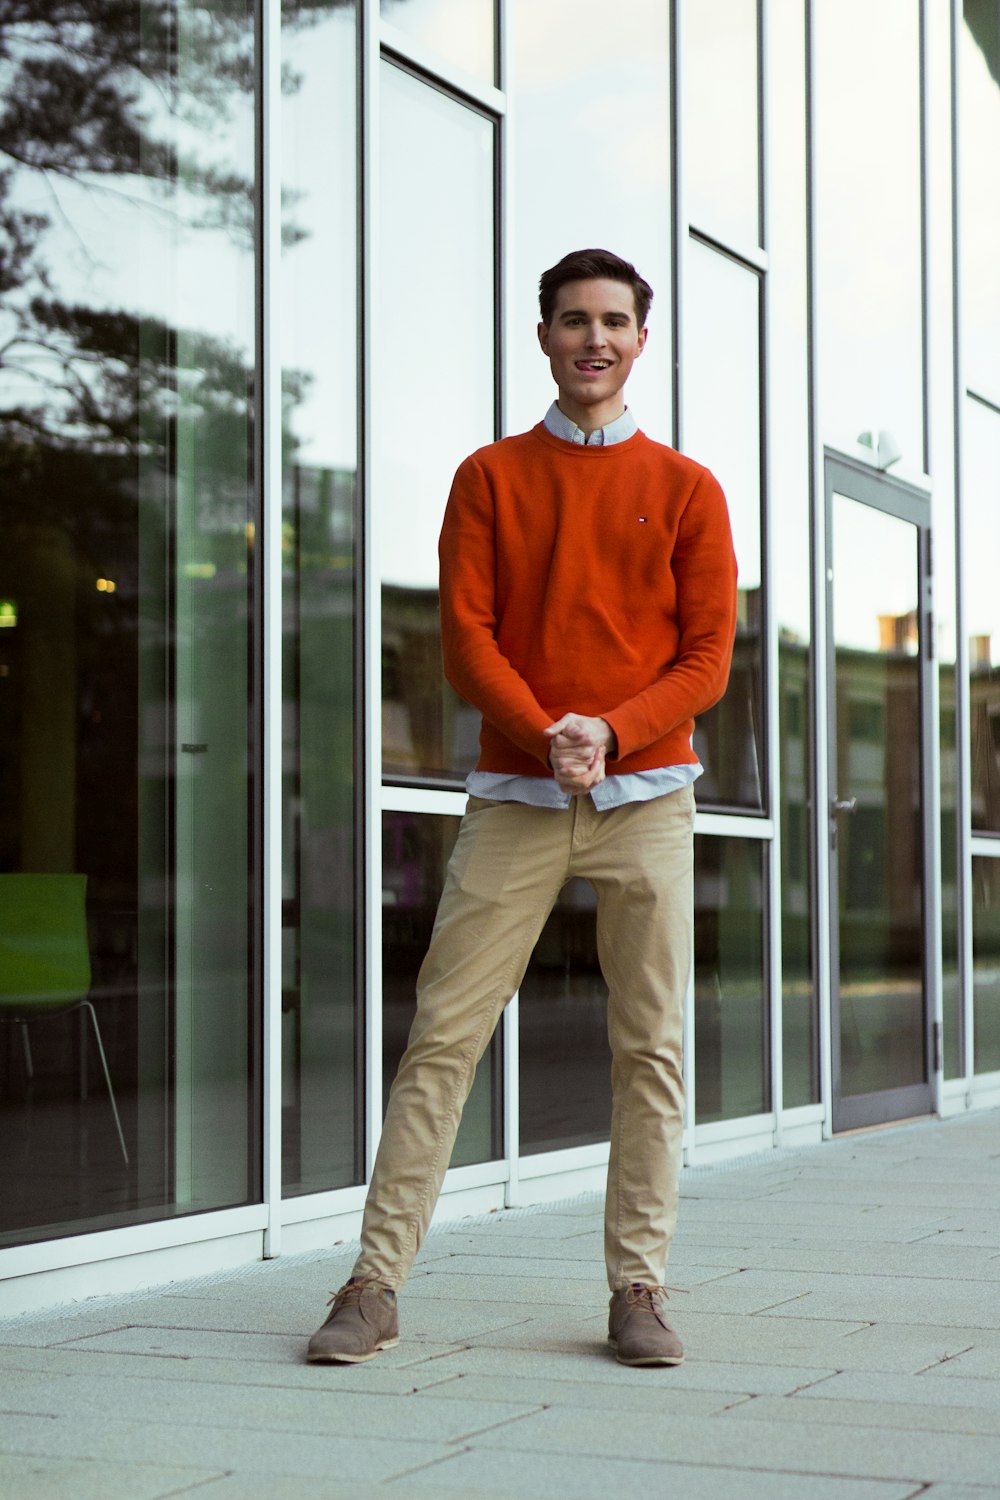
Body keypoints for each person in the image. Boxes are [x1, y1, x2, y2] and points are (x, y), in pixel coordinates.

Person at [308, 248, 737, 1369]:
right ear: (542, 336)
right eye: (571, 321)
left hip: (646, 799)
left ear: (643, 340)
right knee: (442, 1039)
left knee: (650, 1049)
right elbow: (465, 639)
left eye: (613, 321)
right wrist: (554, 731)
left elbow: (707, 659)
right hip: (515, 796)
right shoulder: (488, 477)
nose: (592, 338)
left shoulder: (688, 489)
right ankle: (373, 1284)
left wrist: (611, 731)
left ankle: (636, 1288)